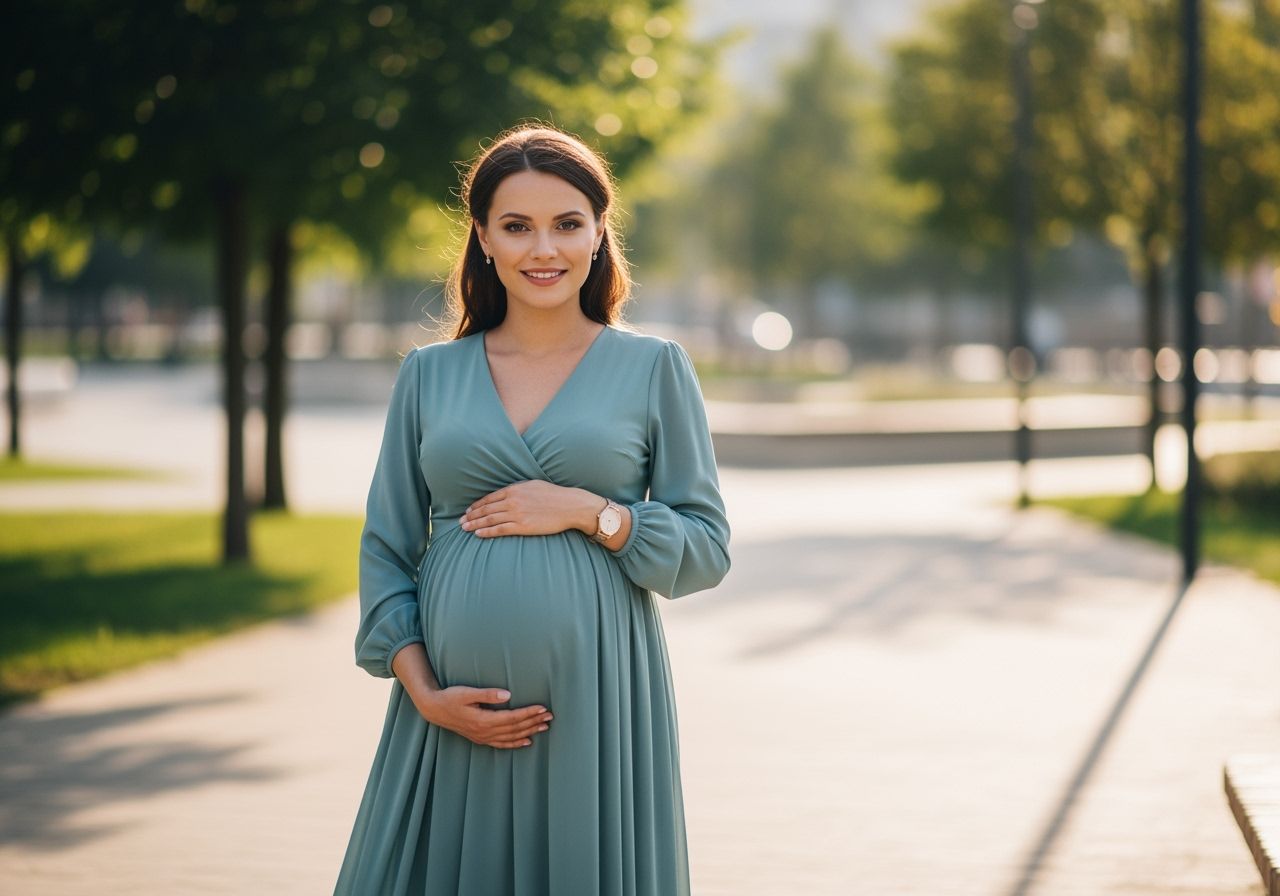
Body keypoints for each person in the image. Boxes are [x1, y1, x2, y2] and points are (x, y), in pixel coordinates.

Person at [333, 125, 731, 896]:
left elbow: (706, 548)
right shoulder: (429, 375)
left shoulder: (653, 368)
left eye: (567, 224)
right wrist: (425, 694)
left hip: (597, 705)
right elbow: (385, 548)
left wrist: (591, 511)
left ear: (599, 232)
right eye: (516, 226)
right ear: (482, 237)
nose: (542, 249)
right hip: (446, 717)